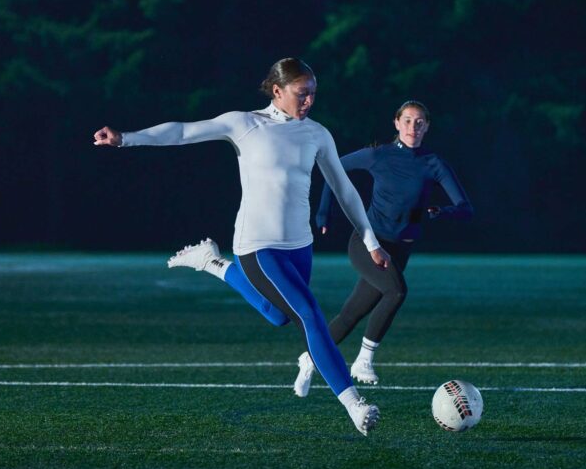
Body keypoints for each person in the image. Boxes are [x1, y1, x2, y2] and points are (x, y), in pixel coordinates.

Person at [93, 58, 391, 436]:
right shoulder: (245, 124)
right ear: (278, 91)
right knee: (309, 314)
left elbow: (345, 190)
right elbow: (182, 132)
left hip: (299, 246)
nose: (309, 101)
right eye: (302, 93)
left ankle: (212, 263)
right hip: (257, 245)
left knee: (278, 315)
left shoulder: (317, 134)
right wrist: (126, 138)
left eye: (314, 94)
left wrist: (371, 241)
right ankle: (354, 405)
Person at [293, 100, 473, 397]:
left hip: (400, 250)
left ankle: (310, 358)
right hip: (368, 241)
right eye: (407, 121)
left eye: (419, 122)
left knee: (352, 313)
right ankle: (363, 361)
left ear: (427, 126)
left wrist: (441, 212)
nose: (413, 127)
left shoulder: (434, 164)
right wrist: (324, 212)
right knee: (396, 292)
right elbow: (332, 168)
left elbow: (466, 209)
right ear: (396, 123)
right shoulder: (379, 155)